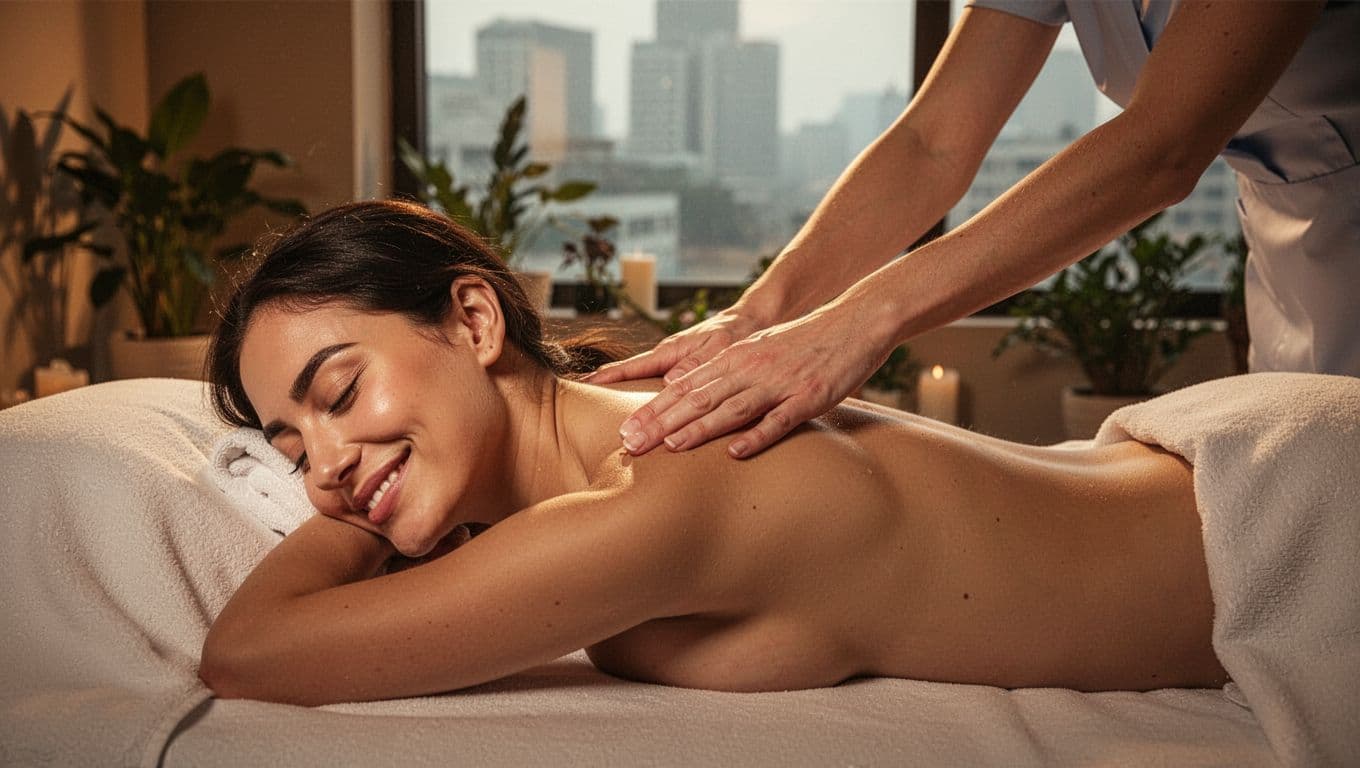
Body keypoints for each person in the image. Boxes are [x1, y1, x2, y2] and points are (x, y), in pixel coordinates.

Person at [198, 200, 1226, 706]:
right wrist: (362, 462)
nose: (322, 462)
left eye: (337, 393)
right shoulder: (629, 429)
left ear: (473, 321)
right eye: (287, 446)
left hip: (1267, 530)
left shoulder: (650, 498)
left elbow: (249, 656)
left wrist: (347, 513)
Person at [588, 0, 1359, 460]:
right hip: (1289, 233)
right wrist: (755, 316)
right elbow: (935, 143)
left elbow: (1164, 145)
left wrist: (863, 318)